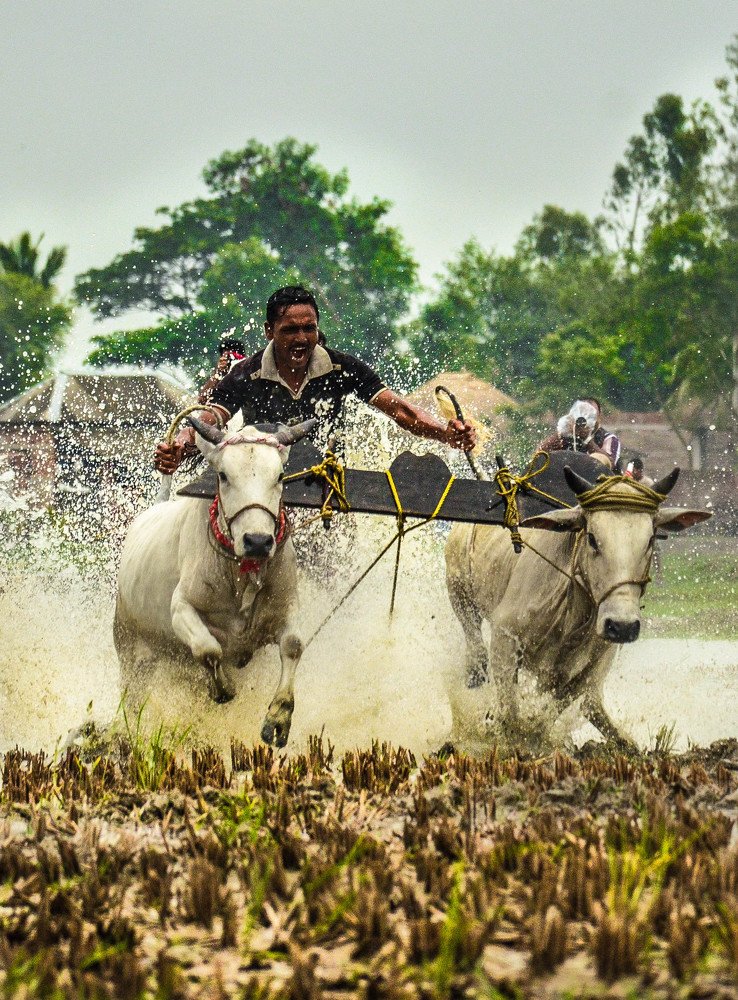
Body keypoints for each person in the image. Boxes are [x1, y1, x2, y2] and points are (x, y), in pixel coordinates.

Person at [155, 286, 476, 473]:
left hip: (327, 483)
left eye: (308, 328)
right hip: (263, 482)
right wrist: (179, 447)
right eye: (290, 330)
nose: (301, 338)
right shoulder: (245, 373)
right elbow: (207, 420)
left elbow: (400, 411)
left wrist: (444, 434)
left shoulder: (343, 368)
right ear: (269, 332)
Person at [538, 398, 622, 471]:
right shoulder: (566, 435)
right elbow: (539, 454)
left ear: (598, 416)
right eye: (582, 411)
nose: (586, 416)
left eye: (591, 412)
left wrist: (588, 440)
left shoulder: (608, 438)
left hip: (599, 482)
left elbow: (610, 463)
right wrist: (561, 432)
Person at [197, 337, 246, 404]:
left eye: (233, 357)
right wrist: (218, 373)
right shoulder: (218, 377)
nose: (230, 361)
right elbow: (202, 400)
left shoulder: (248, 372)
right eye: (226, 358)